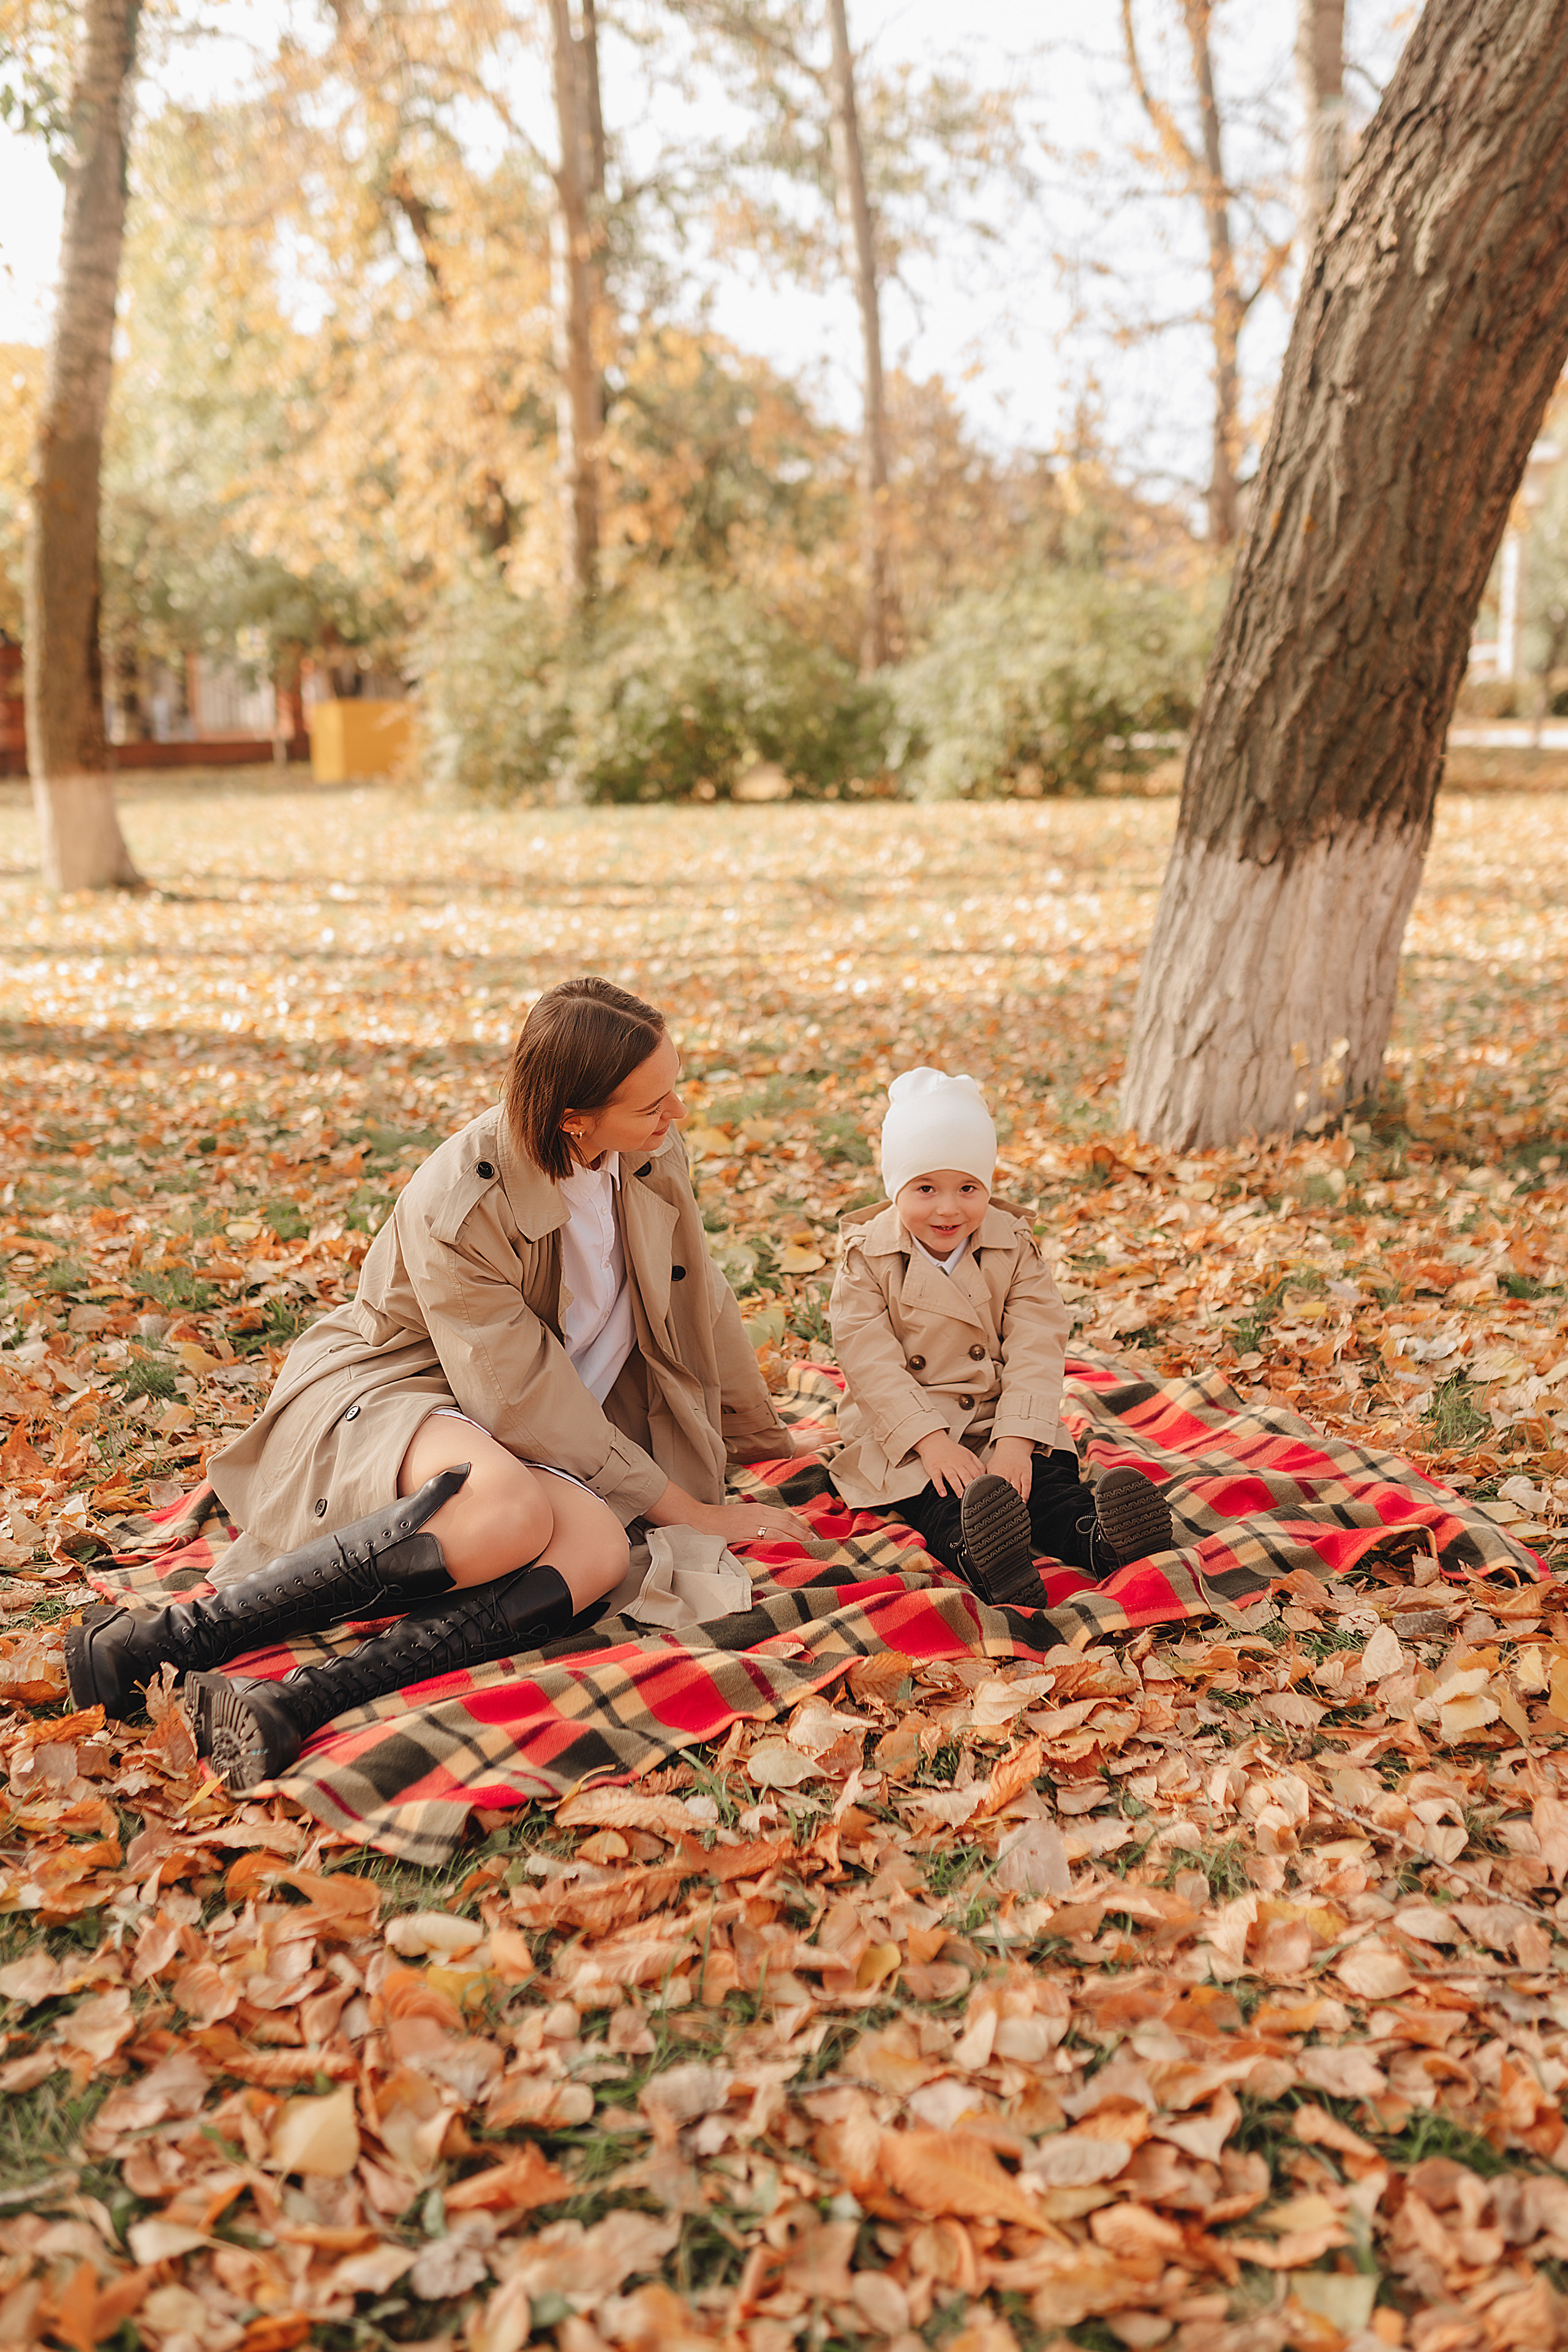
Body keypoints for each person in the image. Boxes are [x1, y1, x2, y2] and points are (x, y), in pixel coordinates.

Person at [67, 978, 810, 1788]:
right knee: (508, 1514)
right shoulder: (461, 1202)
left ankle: (296, 1703)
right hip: (398, 1383)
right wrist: (690, 1511)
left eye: (674, 1092)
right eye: (652, 1104)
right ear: (573, 1117)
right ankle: (160, 1641)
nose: (677, 1116)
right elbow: (518, 1397)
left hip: (521, 1411)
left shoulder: (648, 1151)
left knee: (598, 1549)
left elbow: (697, 1295)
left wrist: (756, 1440)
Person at [827, 1066, 1174, 1608]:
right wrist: (931, 1441)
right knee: (941, 1498)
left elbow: (1037, 1343)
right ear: (895, 1189)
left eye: (968, 1188)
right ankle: (985, 1557)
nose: (948, 1208)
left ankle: (1103, 1539)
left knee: (1045, 1484)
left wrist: (1015, 1440)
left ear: (988, 1186)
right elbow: (869, 1363)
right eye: (925, 1188)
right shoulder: (868, 1258)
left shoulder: (1012, 1247)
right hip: (909, 1426)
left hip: (998, 1412)